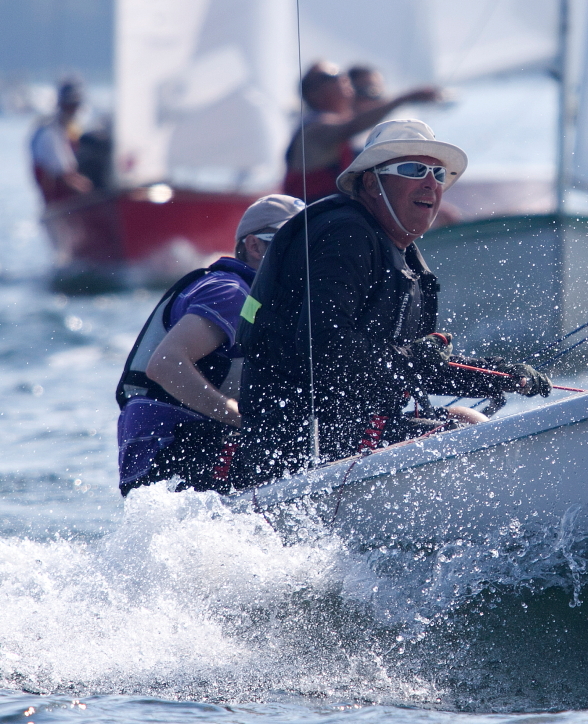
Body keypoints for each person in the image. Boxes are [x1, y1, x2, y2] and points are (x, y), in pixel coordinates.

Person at [235, 121, 551, 488]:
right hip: (300, 452)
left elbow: (412, 365)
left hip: (354, 435)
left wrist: (501, 375)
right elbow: (324, 345)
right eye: (414, 170)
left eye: (437, 173)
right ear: (371, 183)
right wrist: (413, 359)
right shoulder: (345, 234)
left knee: (467, 421)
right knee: (466, 432)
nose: (432, 183)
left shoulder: (408, 260)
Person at [114, 194, 306, 496]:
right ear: (255, 246)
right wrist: (243, 418)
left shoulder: (257, 300)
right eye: (291, 244)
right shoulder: (230, 292)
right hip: (171, 445)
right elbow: (164, 365)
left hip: (181, 447)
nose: (303, 255)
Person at [283, 62, 441, 202]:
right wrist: (406, 98)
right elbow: (353, 125)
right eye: (334, 76)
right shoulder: (315, 129)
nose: (344, 80)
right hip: (315, 225)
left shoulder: (333, 130)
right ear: (313, 92)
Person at [30, 79, 93, 205]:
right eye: (70, 106)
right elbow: (63, 176)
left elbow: (70, 171)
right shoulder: (49, 134)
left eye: (76, 106)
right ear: (62, 105)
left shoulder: (64, 131)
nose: (74, 111)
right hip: (60, 202)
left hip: (69, 195)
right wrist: (92, 193)